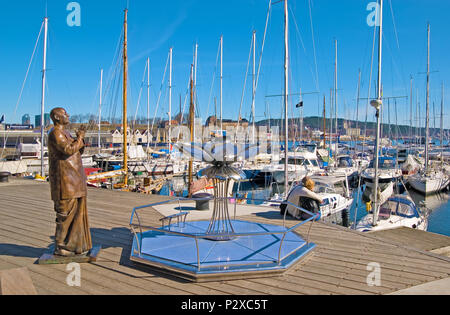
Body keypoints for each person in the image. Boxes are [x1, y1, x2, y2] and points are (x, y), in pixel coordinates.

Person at [48, 107, 92, 257]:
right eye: (64, 113)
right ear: (56, 117)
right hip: (65, 181)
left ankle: (73, 244)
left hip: (74, 180)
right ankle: (61, 246)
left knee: (76, 214)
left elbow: (77, 150)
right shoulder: (55, 133)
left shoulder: (65, 133)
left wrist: (80, 138)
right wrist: (79, 139)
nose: (68, 115)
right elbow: (67, 149)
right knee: (65, 215)